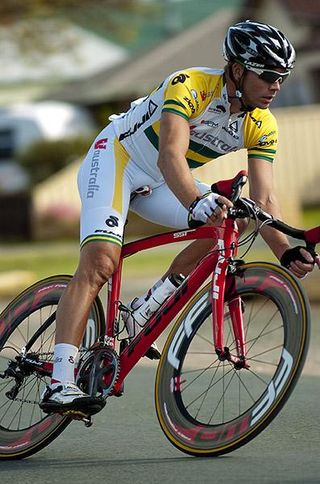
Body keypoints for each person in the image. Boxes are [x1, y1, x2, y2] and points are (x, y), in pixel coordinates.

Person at [40, 20, 319, 413]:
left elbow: (265, 198)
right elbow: (169, 154)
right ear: (238, 70)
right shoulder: (189, 85)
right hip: (118, 161)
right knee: (101, 262)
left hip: (159, 182)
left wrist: (285, 252)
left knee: (232, 221)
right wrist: (194, 201)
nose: (277, 85)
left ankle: (145, 310)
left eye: (282, 77)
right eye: (268, 75)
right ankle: (59, 381)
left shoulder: (261, 123)